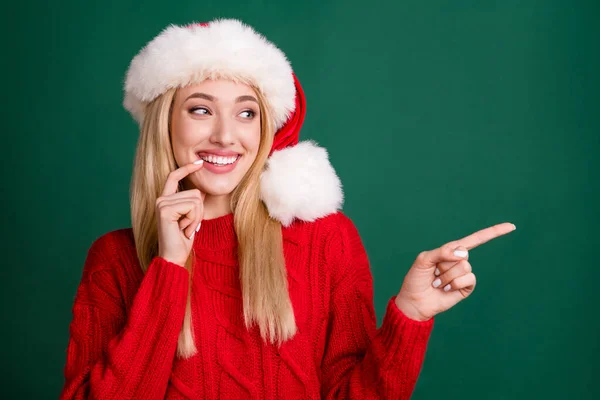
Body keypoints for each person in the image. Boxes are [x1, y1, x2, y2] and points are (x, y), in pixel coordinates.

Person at [59, 18, 516, 400]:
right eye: (200, 110)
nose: (224, 136)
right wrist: (169, 268)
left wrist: (411, 316)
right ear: (165, 124)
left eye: (246, 113)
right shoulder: (115, 259)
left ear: (266, 129)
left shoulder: (325, 240)